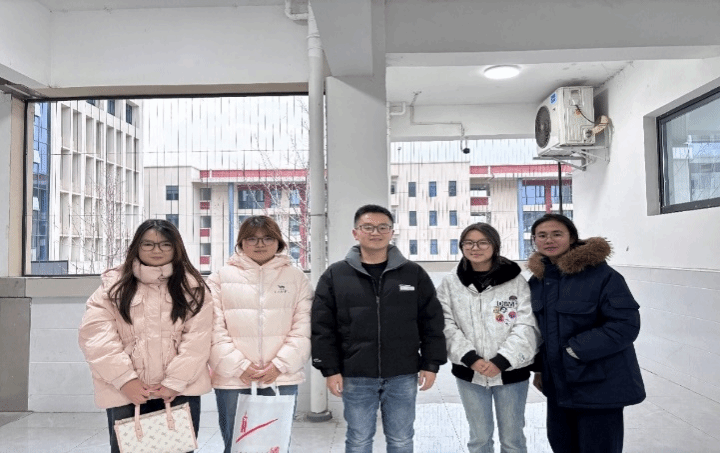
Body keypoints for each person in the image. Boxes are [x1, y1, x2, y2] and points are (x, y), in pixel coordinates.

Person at [312, 204, 447, 453]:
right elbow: (322, 326)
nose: (376, 232)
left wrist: (431, 363)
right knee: (358, 439)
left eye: (383, 227)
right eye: (368, 227)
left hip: (403, 373)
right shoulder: (336, 275)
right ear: (356, 233)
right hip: (356, 373)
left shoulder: (413, 274)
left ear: (391, 232)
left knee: (401, 439)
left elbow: (432, 321)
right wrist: (330, 369)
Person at [78, 219, 212, 453]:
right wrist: (125, 379)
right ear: (136, 247)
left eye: (165, 244)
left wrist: (174, 382)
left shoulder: (193, 288)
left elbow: (198, 341)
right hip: (125, 392)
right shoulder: (113, 286)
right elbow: (96, 337)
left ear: (176, 247)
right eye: (148, 244)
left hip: (179, 392)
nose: (156, 250)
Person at [527, 214, 645, 453]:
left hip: (599, 384)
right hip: (558, 386)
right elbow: (537, 330)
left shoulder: (602, 276)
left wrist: (574, 350)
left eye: (557, 234)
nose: (549, 240)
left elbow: (625, 324)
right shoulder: (538, 281)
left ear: (572, 238)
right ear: (534, 241)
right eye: (542, 235)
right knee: (562, 445)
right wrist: (540, 369)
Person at [208, 215, 312, 453]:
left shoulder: (296, 278)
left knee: (274, 445)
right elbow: (213, 329)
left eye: (267, 238)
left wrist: (280, 365)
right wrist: (240, 366)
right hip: (233, 378)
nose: (260, 244)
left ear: (279, 243)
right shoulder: (220, 278)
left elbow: (303, 327)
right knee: (236, 443)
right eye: (252, 239)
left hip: (281, 376)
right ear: (241, 243)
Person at [437, 223, 540, 453]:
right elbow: (445, 324)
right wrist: (470, 358)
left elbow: (527, 324)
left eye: (483, 242)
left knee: (513, 439)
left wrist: (502, 360)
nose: (475, 248)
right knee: (479, 438)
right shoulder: (450, 283)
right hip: (469, 372)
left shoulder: (516, 281)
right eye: (469, 243)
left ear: (495, 245)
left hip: (511, 372)